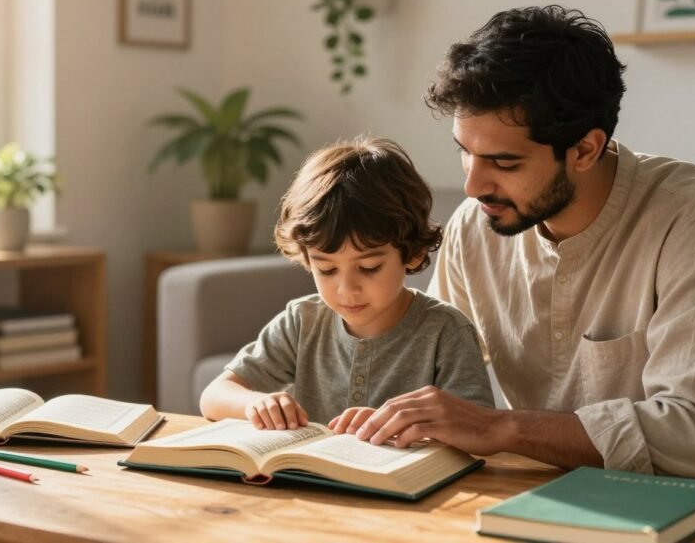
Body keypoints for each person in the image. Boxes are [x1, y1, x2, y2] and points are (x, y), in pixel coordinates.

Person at [352, 5, 695, 481]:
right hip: (542, 499)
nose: (474, 185)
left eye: (504, 162)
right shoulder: (474, 228)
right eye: (466, 153)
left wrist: (502, 428)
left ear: (585, 149)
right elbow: (427, 370)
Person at [199, 136, 494, 432]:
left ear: (413, 253)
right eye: (326, 270)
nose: (346, 289)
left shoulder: (447, 332)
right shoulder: (301, 322)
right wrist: (255, 404)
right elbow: (213, 396)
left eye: (369, 268)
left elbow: (478, 430)